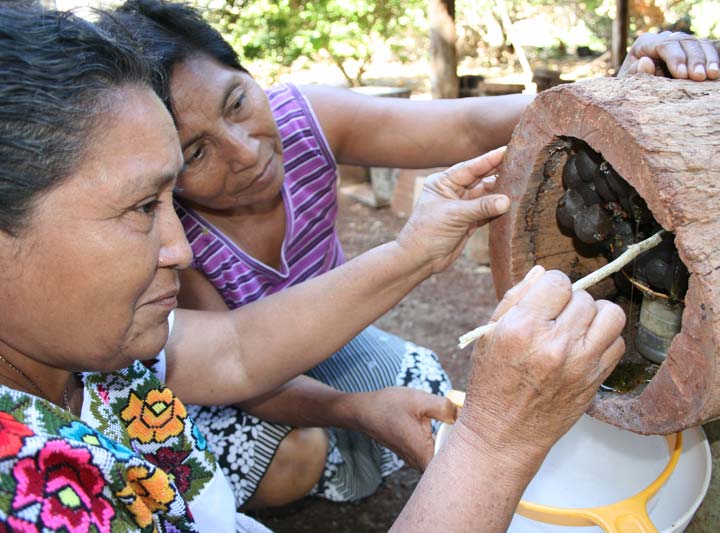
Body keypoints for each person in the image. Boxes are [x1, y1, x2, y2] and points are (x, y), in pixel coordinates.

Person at [0, 5, 626, 532]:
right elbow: (248, 375)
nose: (180, 247)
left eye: (239, 103)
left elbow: (238, 351)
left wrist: (416, 250)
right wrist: (496, 444)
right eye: (141, 207)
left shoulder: (89, 345)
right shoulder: (31, 500)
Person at [102, 0, 720, 510]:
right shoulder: (173, 239)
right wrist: (357, 410)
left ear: (248, 76)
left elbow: (460, 127)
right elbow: (237, 368)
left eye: (237, 103)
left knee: (430, 395)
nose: (244, 152)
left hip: (328, 339)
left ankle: (346, 444)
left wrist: (612, 87)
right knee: (301, 459)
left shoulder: (303, 118)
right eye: (196, 153)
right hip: (243, 382)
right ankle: (330, 454)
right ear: (159, 167)